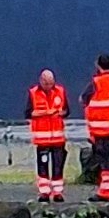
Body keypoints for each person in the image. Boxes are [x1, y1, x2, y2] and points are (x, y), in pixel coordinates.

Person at [83, 53, 109, 203]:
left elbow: (84, 99)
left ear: (98, 65)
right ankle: (108, 189)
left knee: (104, 158)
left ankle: (107, 191)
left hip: (99, 127)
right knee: (107, 155)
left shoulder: (96, 83)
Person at [27, 69, 68, 204]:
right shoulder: (33, 93)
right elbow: (28, 113)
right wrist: (45, 113)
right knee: (43, 166)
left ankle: (58, 193)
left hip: (58, 139)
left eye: (51, 84)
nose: (49, 86)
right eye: (47, 84)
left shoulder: (60, 91)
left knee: (58, 166)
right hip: (42, 139)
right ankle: (44, 193)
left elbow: (67, 110)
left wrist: (60, 113)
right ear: (41, 81)